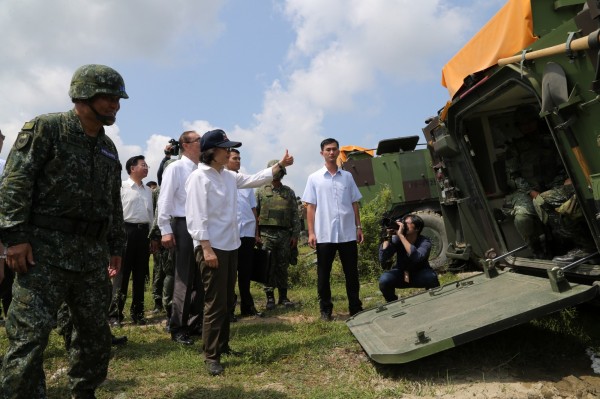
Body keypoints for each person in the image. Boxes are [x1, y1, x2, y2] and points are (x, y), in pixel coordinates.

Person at [0, 64, 127, 399]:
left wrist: (116, 243)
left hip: (90, 257)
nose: (115, 104)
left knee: (95, 338)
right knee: (29, 339)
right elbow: (15, 184)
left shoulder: (107, 147)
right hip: (42, 254)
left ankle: (84, 392)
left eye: (118, 98)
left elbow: (112, 200)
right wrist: (14, 238)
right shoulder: (46, 129)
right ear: (84, 94)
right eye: (108, 97)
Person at [186, 129, 293, 376]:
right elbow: (196, 216)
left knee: (226, 300)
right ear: (212, 152)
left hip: (230, 245)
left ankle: (222, 346)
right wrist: (205, 247)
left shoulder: (228, 176)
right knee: (214, 303)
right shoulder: (199, 178)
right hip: (211, 248)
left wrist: (280, 164)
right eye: (225, 148)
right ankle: (211, 355)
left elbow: (256, 178)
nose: (229, 152)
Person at [301, 138, 364, 321]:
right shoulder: (314, 178)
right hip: (325, 233)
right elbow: (310, 207)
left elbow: (354, 203)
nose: (331, 152)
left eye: (334, 149)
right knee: (323, 274)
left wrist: (358, 227)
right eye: (327, 149)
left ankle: (355, 307)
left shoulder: (348, 177)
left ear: (338, 152)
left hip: (347, 233)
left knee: (351, 273)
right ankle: (326, 310)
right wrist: (311, 232)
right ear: (322, 153)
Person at [503, 104, 569, 259]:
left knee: (567, 209)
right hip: (526, 192)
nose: (527, 126)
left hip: (554, 186)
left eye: (530, 121)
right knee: (522, 217)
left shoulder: (551, 140)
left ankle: (569, 244)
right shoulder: (514, 148)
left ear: (536, 121)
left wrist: (555, 186)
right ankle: (535, 248)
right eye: (523, 123)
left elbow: (563, 166)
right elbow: (514, 177)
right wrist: (533, 193)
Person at [157, 130, 203, 345]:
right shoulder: (175, 167)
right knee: (183, 277)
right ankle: (178, 327)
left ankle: (194, 323)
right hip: (182, 225)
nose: (202, 143)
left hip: (200, 226)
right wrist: (165, 229)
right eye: (198, 140)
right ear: (185, 145)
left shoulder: (201, 169)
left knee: (199, 278)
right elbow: (164, 199)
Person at [109, 155, 153, 325]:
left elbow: (150, 215)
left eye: (147, 164)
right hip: (125, 232)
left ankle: (138, 313)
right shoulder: (121, 187)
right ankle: (115, 315)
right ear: (132, 168)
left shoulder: (148, 191)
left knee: (141, 275)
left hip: (143, 234)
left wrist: (151, 237)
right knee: (122, 275)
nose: (146, 167)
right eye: (143, 165)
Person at [256, 159, 300, 310]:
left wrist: (295, 235)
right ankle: (269, 298)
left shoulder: (288, 192)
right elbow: (254, 214)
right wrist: (256, 235)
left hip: (284, 234)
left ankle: (283, 297)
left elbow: (295, 215)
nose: (277, 174)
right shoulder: (260, 191)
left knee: (282, 266)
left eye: (279, 172)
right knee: (268, 266)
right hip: (266, 234)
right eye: (275, 171)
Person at [226, 149, 263, 318]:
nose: (238, 161)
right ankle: (229, 309)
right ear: (226, 160)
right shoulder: (221, 179)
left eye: (239, 158)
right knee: (230, 274)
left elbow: (253, 209)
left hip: (247, 232)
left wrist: (256, 233)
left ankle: (247, 307)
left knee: (246, 272)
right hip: (229, 234)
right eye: (235, 158)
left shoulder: (246, 181)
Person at [378, 214, 440, 302]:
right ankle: (392, 303)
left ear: (417, 228)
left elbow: (417, 257)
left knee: (431, 277)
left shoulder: (424, 242)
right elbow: (383, 258)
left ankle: (435, 299)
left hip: (420, 274)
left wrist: (401, 236)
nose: (403, 226)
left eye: (406, 223)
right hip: (402, 274)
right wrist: (387, 237)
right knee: (384, 279)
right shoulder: (397, 240)